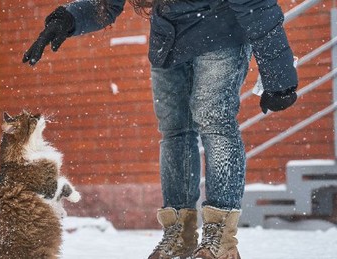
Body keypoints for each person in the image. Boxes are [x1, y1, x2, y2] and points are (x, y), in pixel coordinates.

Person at [23, 0, 298, 258]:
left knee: (215, 121)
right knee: (174, 132)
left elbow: (255, 4)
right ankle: (179, 231)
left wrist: (279, 76)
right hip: (169, 40)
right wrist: (68, 19)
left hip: (221, 31)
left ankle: (221, 235)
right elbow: (106, 4)